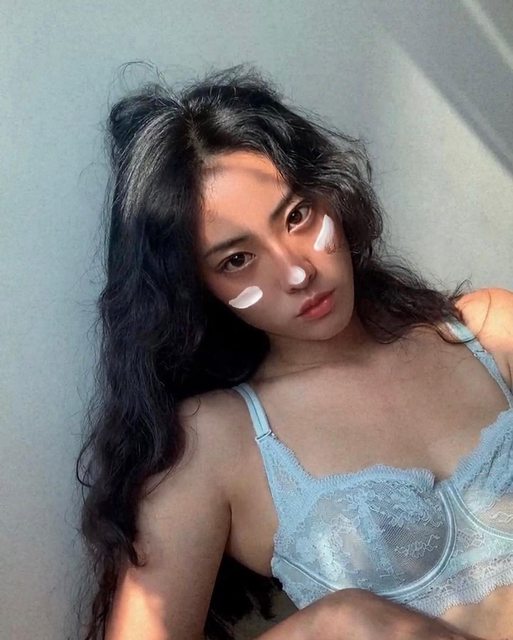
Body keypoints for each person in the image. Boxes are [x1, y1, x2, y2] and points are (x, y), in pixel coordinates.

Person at [76, 66, 513, 640]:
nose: (297, 271)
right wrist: (333, 624)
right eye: (237, 260)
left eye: (297, 216)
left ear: (332, 193)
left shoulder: (491, 332)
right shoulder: (217, 441)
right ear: (195, 288)